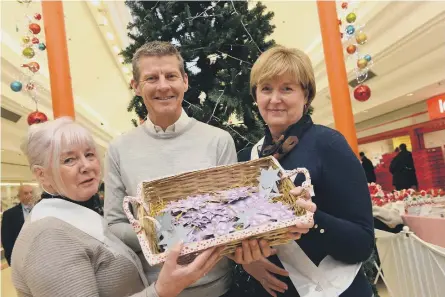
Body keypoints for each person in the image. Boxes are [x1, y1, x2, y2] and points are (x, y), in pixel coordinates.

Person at [105, 41, 286, 297]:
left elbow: (236, 213)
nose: (163, 86)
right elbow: (114, 224)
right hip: (155, 289)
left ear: (185, 81)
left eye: (171, 76)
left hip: (218, 288)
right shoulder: (119, 149)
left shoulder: (218, 140)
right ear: (135, 86)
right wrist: (163, 234)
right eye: (151, 78)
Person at [11, 117, 224, 297]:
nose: (86, 166)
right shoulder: (47, 238)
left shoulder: (79, 214)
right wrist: (162, 290)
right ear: (41, 174)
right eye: (69, 160)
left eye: (89, 154)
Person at [238, 45, 374, 297]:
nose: (274, 99)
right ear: (255, 96)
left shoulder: (329, 144)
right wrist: (247, 261)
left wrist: (313, 220)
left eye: (286, 88)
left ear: (306, 95)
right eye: (266, 88)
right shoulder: (247, 157)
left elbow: (363, 244)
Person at [1, 184, 34, 266]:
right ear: (19, 197)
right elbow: (6, 240)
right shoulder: (9, 215)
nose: (30, 195)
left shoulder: (41, 210)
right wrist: (11, 261)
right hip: (20, 259)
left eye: (31, 192)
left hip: (38, 257)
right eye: (26, 193)